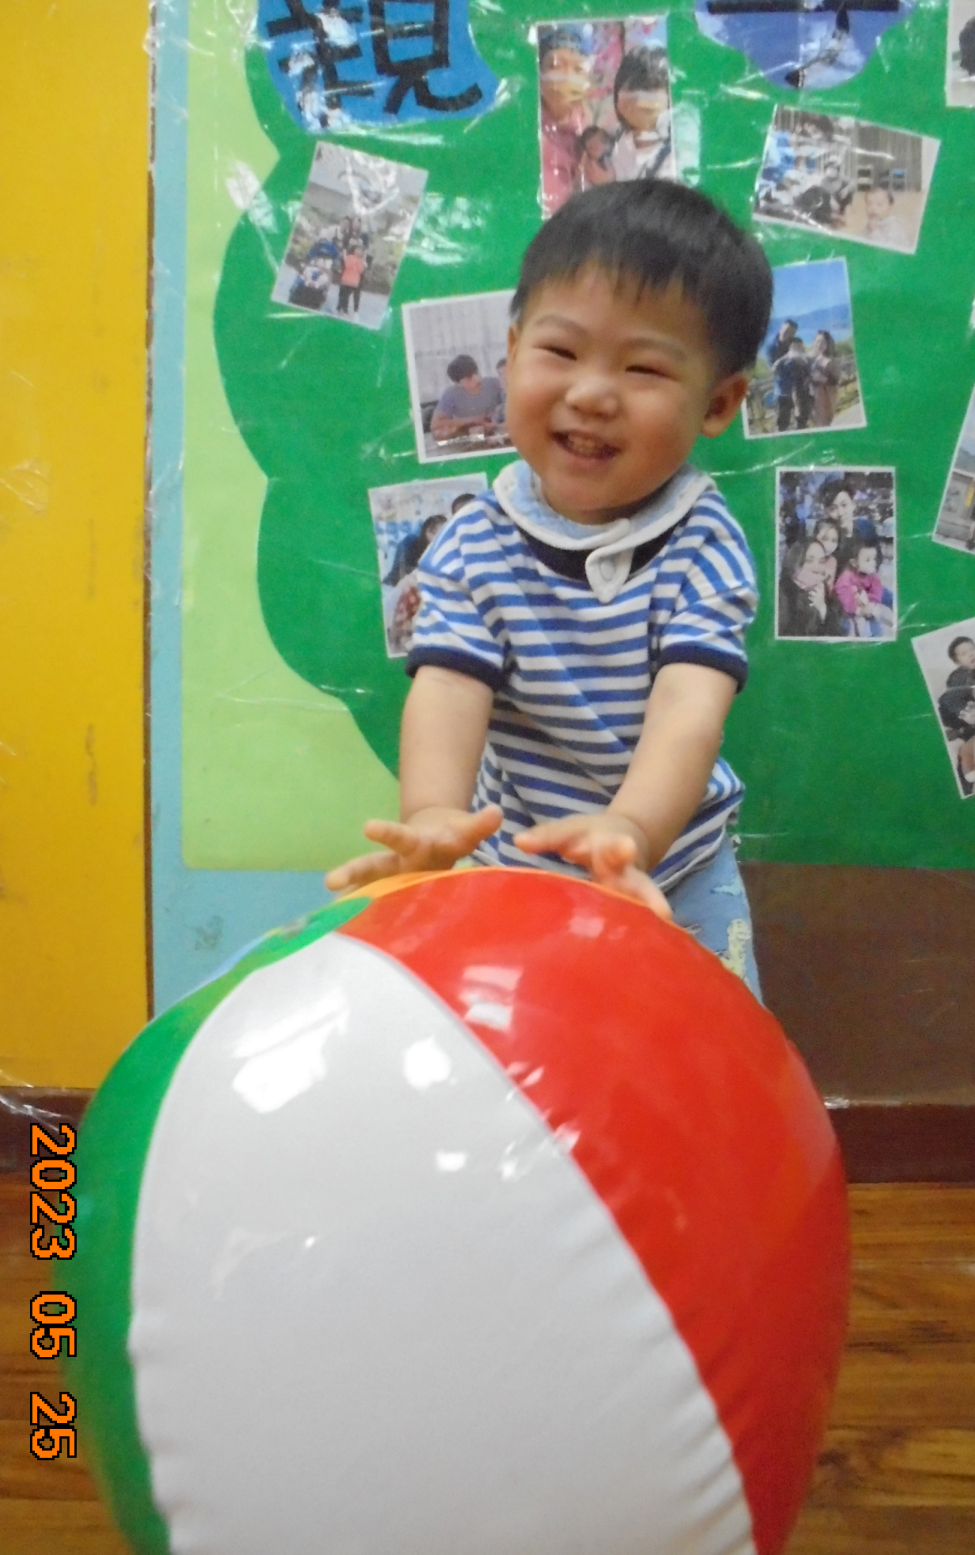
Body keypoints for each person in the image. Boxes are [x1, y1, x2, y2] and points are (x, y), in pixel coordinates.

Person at [325, 181, 774, 996]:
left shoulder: (704, 544)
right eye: (561, 353)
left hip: (674, 868)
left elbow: (690, 707)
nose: (591, 393)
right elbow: (448, 689)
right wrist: (433, 818)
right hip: (516, 865)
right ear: (510, 355)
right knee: (518, 1048)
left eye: (643, 367)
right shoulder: (473, 542)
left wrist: (631, 831)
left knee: (714, 1046)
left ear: (718, 403)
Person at [538, 27, 592, 213]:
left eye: (578, 69)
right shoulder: (527, 126)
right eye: (556, 66)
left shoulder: (586, 126)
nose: (568, 76)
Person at [609, 48, 674, 183]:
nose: (638, 98)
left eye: (649, 89)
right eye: (631, 88)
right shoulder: (613, 142)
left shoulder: (674, 157)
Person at [778, 537, 845, 638]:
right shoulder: (782, 592)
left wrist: (823, 609)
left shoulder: (823, 590)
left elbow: (837, 639)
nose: (816, 568)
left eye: (821, 561)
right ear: (795, 561)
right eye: (809, 561)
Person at [429, 355, 505, 442]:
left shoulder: (494, 384)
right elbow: (435, 424)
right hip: (468, 438)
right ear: (458, 383)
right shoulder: (451, 394)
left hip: (496, 434)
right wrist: (473, 420)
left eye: (476, 373)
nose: (476, 378)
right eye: (469, 378)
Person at [834, 539, 894, 638]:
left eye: (874, 559)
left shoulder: (871, 574)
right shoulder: (846, 578)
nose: (873, 563)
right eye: (867, 560)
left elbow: (877, 589)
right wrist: (859, 610)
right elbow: (845, 599)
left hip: (866, 604)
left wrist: (872, 603)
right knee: (848, 627)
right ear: (854, 563)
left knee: (876, 628)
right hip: (848, 610)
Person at [383, 514, 447, 588]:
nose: (437, 537)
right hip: (393, 588)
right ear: (424, 532)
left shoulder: (448, 552)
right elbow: (399, 572)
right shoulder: (410, 542)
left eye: (442, 534)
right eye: (433, 532)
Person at [773, 337, 812, 431]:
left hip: (801, 394)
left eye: (800, 345)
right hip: (783, 395)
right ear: (790, 347)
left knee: (802, 420)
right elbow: (774, 371)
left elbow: (810, 374)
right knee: (782, 422)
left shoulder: (805, 360)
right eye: (796, 346)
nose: (799, 348)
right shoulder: (782, 360)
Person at [808, 330, 840, 427]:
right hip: (808, 396)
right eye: (817, 341)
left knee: (824, 423)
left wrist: (823, 379)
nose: (819, 344)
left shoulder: (830, 360)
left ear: (827, 344)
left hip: (823, 396)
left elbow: (836, 380)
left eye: (822, 342)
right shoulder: (809, 358)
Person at [335, 240, 367, 316]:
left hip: (353, 281)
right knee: (344, 295)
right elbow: (347, 265)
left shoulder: (360, 261)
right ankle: (342, 309)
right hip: (347, 279)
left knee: (346, 295)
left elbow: (360, 270)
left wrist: (360, 263)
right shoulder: (350, 257)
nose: (358, 252)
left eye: (360, 251)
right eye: (357, 250)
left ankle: (344, 310)